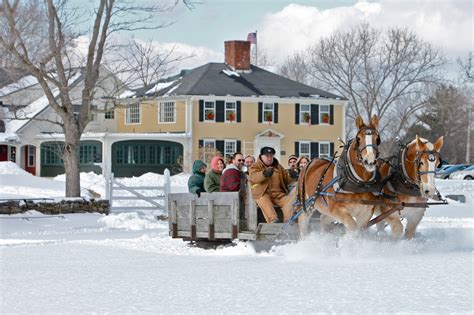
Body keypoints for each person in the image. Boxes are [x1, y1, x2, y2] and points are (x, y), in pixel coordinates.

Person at [248, 146, 293, 223]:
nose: (269, 158)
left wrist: (291, 175)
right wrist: (264, 174)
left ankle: (288, 222)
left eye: (271, 156)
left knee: (289, 201)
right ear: (261, 156)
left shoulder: (278, 166)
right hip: (263, 193)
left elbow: (287, 179)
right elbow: (253, 178)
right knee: (265, 202)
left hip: (278, 194)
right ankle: (273, 221)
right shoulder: (256, 166)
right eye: (267, 156)